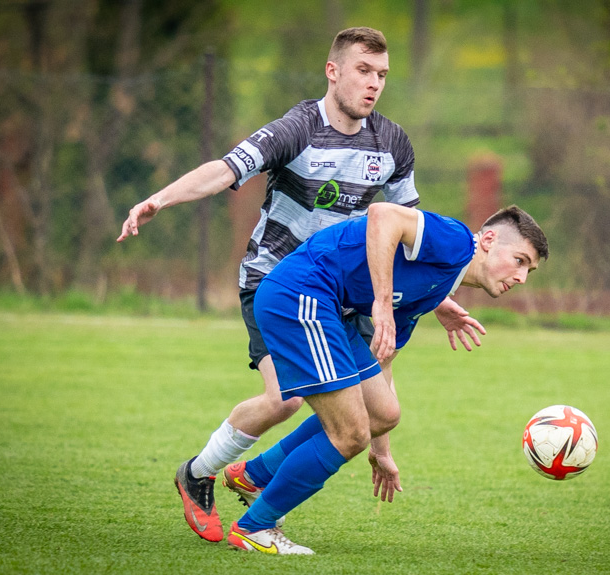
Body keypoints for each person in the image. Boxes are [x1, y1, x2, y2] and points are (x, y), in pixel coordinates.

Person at [116, 27, 485, 543]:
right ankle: (197, 474)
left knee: (380, 413)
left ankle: (253, 476)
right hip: (275, 281)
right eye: (363, 70)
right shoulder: (297, 129)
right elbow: (224, 171)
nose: (373, 83)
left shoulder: (393, 143)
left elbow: (407, 237)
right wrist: (161, 199)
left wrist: (440, 298)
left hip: (339, 292)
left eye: (381, 74)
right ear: (333, 71)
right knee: (285, 399)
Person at [219, 202, 548, 554]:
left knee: (383, 414)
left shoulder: (437, 289)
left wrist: (382, 451)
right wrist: (381, 301)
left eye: (529, 270)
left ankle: (254, 475)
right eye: (520, 261)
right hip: (301, 295)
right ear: (489, 240)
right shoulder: (456, 242)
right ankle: (254, 528)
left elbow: (384, 356)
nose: (521, 278)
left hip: (326, 309)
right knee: (349, 434)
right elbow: (383, 215)